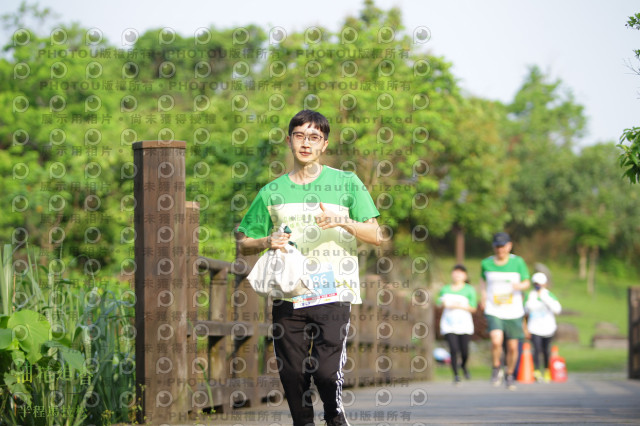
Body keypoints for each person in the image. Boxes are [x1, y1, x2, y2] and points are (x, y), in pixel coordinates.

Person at [236, 110, 381, 426]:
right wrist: (266, 241)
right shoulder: (271, 191)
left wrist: (344, 221)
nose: (306, 143)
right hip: (288, 294)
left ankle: (334, 415)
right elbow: (243, 241)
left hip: (334, 291)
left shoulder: (346, 182)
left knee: (327, 373)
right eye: (299, 135)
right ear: (289, 141)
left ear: (324, 145)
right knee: (292, 373)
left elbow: (376, 235)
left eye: (314, 137)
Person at [480, 232, 530, 391]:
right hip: (494, 309)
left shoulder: (518, 262)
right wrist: (482, 297)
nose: (500, 249)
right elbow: (483, 282)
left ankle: (509, 374)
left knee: (513, 347)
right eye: (497, 246)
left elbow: (526, 282)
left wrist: (519, 286)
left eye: (502, 246)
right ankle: (496, 368)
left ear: (509, 246)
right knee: (496, 340)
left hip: (513, 310)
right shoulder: (486, 263)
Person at [437, 264, 477, 384]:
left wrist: (459, 305)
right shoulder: (445, 289)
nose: (457, 275)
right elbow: (439, 303)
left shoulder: (469, 289)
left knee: (464, 351)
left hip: (464, 325)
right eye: (455, 272)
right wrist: (444, 304)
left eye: (460, 273)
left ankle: (463, 366)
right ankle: (455, 375)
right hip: (449, 324)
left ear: (465, 275)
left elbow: (473, 308)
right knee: (453, 349)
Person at [525, 272, 562, 382]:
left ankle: (546, 370)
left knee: (546, 350)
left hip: (548, 327)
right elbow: (525, 310)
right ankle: (536, 371)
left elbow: (557, 309)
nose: (538, 286)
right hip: (534, 327)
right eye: (536, 283)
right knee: (536, 349)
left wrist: (544, 297)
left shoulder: (548, 295)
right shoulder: (530, 295)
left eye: (540, 284)